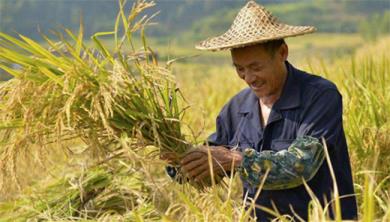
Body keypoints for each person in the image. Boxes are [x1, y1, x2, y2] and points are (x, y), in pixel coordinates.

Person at [163, 1, 358, 221]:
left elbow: (301, 166)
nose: (248, 78)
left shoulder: (320, 96)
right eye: (240, 69)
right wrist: (180, 159)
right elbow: (210, 167)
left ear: (282, 53)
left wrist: (235, 159)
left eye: (256, 67)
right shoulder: (236, 109)